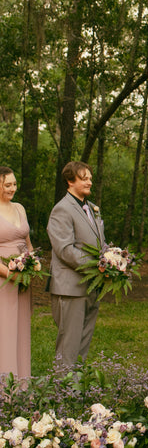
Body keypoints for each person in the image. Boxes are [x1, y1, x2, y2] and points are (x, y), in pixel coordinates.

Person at [47, 161, 105, 368]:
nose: (90, 182)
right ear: (70, 181)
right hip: (70, 287)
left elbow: (100, 243)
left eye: (90, 178)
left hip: (91, 286)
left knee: (82, 345)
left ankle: (77, 384)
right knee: (68, 346)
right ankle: (62, 387)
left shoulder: (93, 208)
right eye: (84, 178)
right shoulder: (61, 210)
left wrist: (113, 259)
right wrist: (97, 266)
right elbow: (65, 250)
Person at [0, 167, 34, 378]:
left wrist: (32, 264)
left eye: (14, 184)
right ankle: (4, 386)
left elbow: (28, 243)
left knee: (21, 330)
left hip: (23, 278)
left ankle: (22, 384)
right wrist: (9, 274)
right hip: (3, 281)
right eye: (7, 185)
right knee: (5, 330)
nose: (13, 189)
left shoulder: (20, 208)